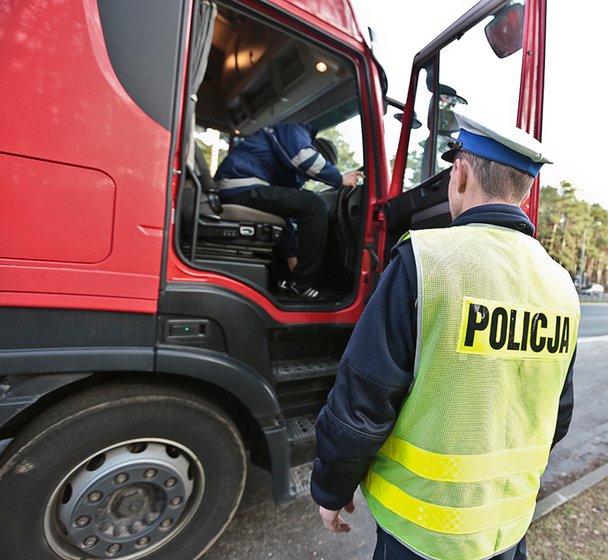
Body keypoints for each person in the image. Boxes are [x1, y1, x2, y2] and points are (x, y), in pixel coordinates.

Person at [310, 110, 580, 560]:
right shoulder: (560, 284)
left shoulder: (424, 260)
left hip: (421, 537)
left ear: (460, 174)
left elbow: (363, 401)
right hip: (507, 532)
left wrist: (331, 489)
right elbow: (559, 413)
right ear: (524, 188)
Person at [214, 122, 363, 299]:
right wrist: (339, 178)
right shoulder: (295, 131)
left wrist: (291, 254)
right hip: (241, 183)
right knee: (316, 206)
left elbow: (285, 216)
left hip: (239, 186)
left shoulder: (286, 172)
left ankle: (283, 280)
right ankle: (302, 284)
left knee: (307, 205)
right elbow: (304, 158)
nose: (307, 177)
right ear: (316, 151)